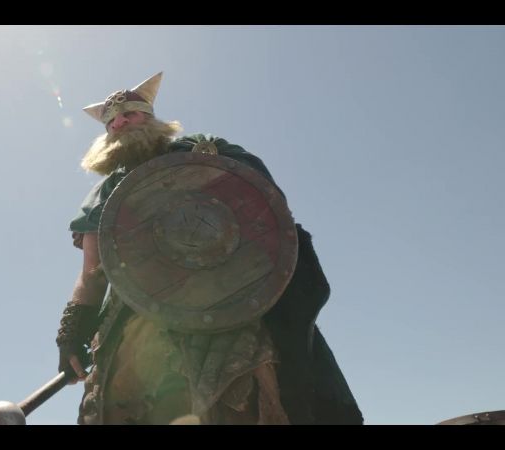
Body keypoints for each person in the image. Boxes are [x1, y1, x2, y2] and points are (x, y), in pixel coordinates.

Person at [55, 72, 363, 425]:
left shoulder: (204, 151)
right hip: (140, 314)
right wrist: (72, 331)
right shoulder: (107, 193)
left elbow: (267, 211)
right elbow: (93, 273)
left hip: (230, 305)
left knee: (261, 390)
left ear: (149, 117)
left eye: (129, 114)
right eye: (111, 121)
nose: (119, 123)